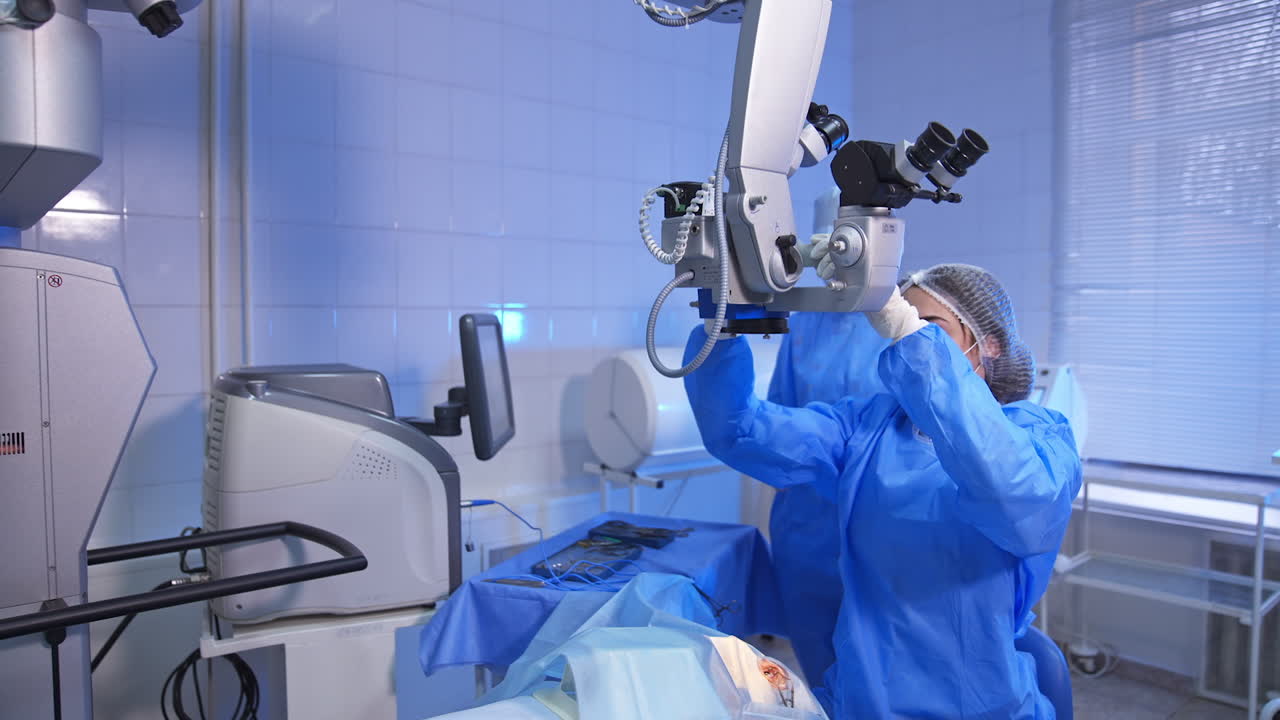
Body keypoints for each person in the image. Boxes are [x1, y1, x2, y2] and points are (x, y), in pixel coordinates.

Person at [684, 263, 1082, 718]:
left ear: (987, 344)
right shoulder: (867, 427)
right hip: (864, 700)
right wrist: (725, 326)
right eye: (901, 329)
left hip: (981, 703)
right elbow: (740, 430)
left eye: (928, 328)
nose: (908, 346)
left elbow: (1013, 492)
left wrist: (910, 335)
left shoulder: (1040, 436)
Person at [765, 310, 887, 688]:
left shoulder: (903, 320)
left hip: (883, 518)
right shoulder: (804, 324)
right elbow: (776, 413)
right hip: (805, 522)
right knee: (818, 660)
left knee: (879, 670)